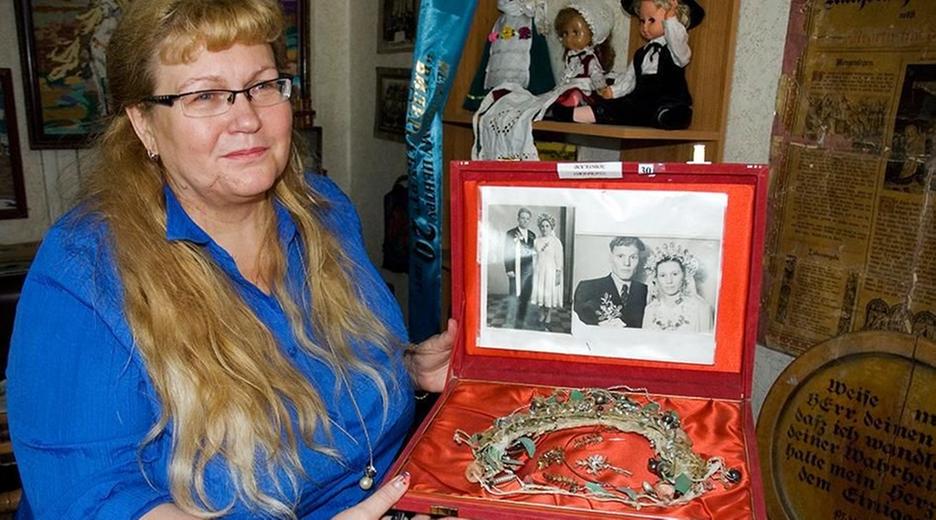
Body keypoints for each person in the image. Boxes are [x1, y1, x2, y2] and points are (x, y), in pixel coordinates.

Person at [5, 1, 454, 518]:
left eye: (262, 86)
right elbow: (94, 499)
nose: (247, 119)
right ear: (144, 124)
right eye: (205, 95)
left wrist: (404, 367)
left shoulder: (325, 210)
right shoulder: (84, 267)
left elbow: (321, 370)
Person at [554, 0, 703, 129]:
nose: (645, 27)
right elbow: (629, 79)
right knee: (615, 108)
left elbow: (680, 47)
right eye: (642, 21)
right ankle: (573, 114)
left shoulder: (676, 50)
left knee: (672, 112)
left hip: (668, 101)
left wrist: (671, 21)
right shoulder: (640, 54)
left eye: (651, 20)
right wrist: (613, 91)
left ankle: (667, 117)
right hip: (642, 103)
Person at [573, 236, 648, 328]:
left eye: (633, 257)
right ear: (610, 258)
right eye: (620, 256)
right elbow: (580, 323)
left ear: (639, 260)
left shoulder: (647, 291)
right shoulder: (588, 288)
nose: (627, 263)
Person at [551, 2, 615, 108]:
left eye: (575, 32)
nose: (569, 38)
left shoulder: (590, 58)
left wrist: (601, 88)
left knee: (575, 93)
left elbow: (596, 75)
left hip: (585, 89)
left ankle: (576, 100)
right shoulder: (571, 57)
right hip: (571, 86)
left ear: (592, 33)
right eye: (565, 33)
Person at [641, 242, 713, 332]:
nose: (669, 281)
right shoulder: (650, 310)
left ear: (684, 275)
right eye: (663, 275)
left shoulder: (701, 309)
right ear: (656, 278)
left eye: (675, 274)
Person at [503, 208, 536, 329]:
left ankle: (521, 320)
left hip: (528, 270)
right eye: (523, 218)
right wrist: (509, 269)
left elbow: (532, 253)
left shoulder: (532, 235)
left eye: (527, 219)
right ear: (518, 219)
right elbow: (507, 252)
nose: (525, 221)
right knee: (513, 295)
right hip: (515, 269)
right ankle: (510, 320)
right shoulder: (511, 233)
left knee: (525, 295)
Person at [531, 214, 564, 330]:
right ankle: (541, 314)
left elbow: (559, 258)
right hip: (539, 270)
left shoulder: (556, 242)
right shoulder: (536, 241)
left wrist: (558, 272)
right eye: (542, 226)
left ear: (551, 227)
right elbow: (534, 258)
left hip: (551, 271)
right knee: (540, 292)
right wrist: (533, 270)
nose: (544, 228)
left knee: (549, 292)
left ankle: (548, 315)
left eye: (547, 226)